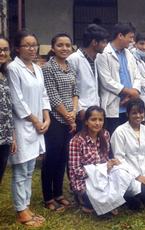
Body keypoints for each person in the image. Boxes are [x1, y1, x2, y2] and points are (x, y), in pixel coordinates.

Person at [69, 106, 145, 215]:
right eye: (93, 119)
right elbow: (75, 171)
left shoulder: (105, 134)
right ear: (86, 121)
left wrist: (111, 163)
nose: (97, 123)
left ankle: (112, 202)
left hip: (104, 174)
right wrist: (100, 170)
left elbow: (105, 159)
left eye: (100, 120)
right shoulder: (76, 141)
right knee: (101, 203)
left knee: (123, 174)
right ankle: (82, 199)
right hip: (85, 180)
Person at [8, 29, 50, 226]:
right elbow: (17, 100)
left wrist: (46, 118)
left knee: (30, 167)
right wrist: (35, 120)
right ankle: (20, 211)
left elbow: (43, 95)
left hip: (38, 124)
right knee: (21, 168)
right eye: (27, 45)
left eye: (34, 44)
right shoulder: (13, 69)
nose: (32, 48)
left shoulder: (37, 68)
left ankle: (26, 206)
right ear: (17, 48)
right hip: (23, 124)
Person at [41, 33, 78, 211]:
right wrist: (67, 115)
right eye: (60, 45)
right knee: (52, 158)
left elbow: (75, 90)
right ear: (53, 47)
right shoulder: (48, 68)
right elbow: (52, 96)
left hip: (70, 117)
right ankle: (48, 198)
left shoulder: (70, 66)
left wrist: (74, 112)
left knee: (64, 157)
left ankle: (59, 193)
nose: (64, 49)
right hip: (56, 119)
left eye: (68, 45)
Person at [111, 99, 145, 208]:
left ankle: (140, 197)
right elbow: (120, 159)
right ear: (127, 114)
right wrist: (138, 176)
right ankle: (129, 198)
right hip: (129, 174)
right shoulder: (120, 132)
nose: (138, 116)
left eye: (141, 112)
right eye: (134, 113)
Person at [96, 22, 145, 138]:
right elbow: (107, 81)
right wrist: (130, 92)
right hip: (113, 105)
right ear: (120, 36)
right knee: (112, 139)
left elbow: (137, 76)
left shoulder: (128, 53)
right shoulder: (104, 54)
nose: (132, 41)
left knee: (129, 139)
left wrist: (132, 94)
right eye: (130, 37)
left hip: (129, 105)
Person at [67, 24, 109, 132]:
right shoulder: (74, 59)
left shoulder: (96, 58)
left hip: (94, 111)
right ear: (94, 42)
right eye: (104, 42)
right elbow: (69, 87)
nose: (105, 45)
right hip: (80, 111)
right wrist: (79, 108)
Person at [0, 35, 17, 184]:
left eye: (5, 49)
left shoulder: (4, 75)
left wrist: (12, 136)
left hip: (4, 136)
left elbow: (8, 108)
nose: (2, 53)